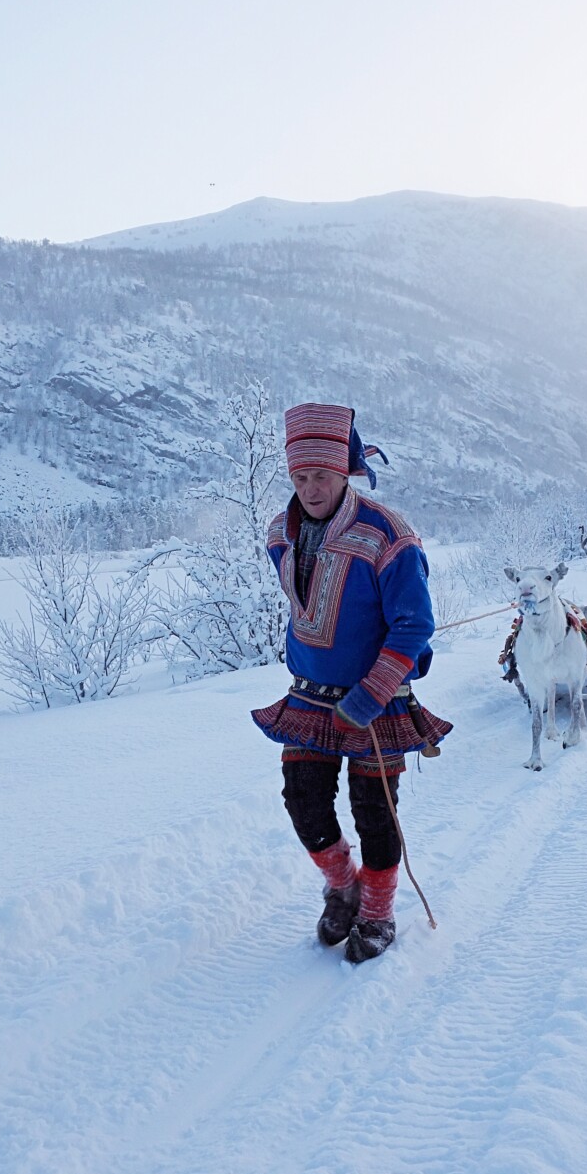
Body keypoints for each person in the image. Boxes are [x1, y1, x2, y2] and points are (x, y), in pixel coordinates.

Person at [251, 402, 451, 963]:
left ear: (345, 472)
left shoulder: (391, 535)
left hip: (377, 701)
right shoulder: (278, 536)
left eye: (321, 476)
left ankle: (379, 910)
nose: (310, 488)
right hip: (310, 697)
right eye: (299, 476)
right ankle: (343, 887)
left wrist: (368, 695)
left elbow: (414, 624)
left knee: (374, 808)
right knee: (304, 803)